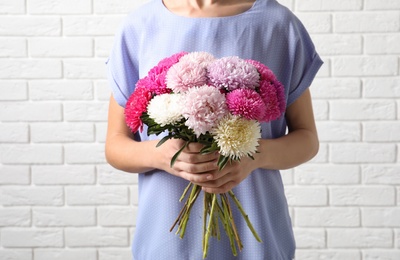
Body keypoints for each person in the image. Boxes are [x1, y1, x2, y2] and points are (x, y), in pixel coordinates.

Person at [105, 0, 323, 259]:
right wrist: (162, 156)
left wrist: (254, 156)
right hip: (166, 242)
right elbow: (115, 145)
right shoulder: (139, 26)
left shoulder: (278, 24)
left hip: (257, 241)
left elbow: (307, 139)